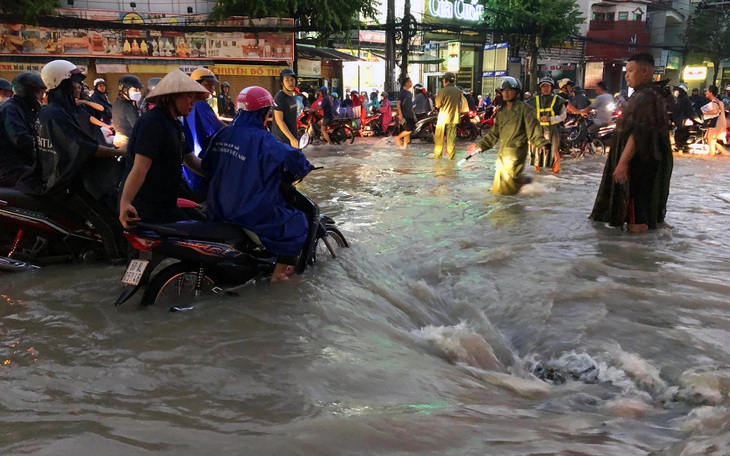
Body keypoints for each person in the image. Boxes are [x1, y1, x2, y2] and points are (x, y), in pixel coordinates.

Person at [16, 60, 126, 262]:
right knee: (109, 224)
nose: (78, 87)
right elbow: (84, 147)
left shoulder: (56, 111)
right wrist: (121, 152)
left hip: (63, 177)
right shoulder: (55, 113)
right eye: (74, 82)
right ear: (61, 84)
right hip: (64, 183)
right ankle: (118, 262)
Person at [202, 86, 312, 282]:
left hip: (217, 207)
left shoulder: (222, 134)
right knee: (297, 222)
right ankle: (279, 277)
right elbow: (293, 157)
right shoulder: (264, 139)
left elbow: (206, 164)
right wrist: (305, 166)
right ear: (264, 112)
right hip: (247, 210)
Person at [590, 53, 673, 233]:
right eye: (626, 71)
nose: (626, 75)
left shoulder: (646, 97)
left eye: (630, 71)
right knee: (640, 212)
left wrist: (622, 163)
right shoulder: (650, 94)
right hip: (646, 165)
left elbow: (638, 134)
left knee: (636, 217)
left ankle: (635, 256)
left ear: (644, 71)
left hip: (638, 168)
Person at [119, 69, 210, 229]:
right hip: (144, 209)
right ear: (172, 96)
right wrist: (125, 203)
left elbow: (192, 161)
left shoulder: (175, 124)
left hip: (165, 204)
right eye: (189, 95)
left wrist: (221, 173)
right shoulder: (153, 122)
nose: (192, 102)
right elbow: (141, 167)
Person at [471, 77, 549, 195]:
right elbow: (494, 133)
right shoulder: (501, 112)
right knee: (501, 181)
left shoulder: (525, 109)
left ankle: (510, 208)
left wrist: (541, 143)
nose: (506, 93)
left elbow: (533, 128)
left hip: (516, 151)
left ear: (517, 92)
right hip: (503, 151)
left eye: (509, 90)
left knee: (508, 180)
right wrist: (482, 146)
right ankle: (521, 185)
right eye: (503, 91)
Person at [182, 68, 226, 196]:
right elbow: (218, 128)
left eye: (212, 85)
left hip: (193, 161)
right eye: (207, 84)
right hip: (200, 162)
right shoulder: (200, 105)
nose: (211, 88)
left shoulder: (194, 104)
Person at [0, 72, 45, 187]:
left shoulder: (29, 109)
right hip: (11, 167)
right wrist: (46, 147)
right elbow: (20, 138)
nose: (42, 96)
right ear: (27, 91)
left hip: (26, 162)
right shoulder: (10, 108)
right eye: (39, 92)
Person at [527, 76, 565, 173]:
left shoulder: (558, 100)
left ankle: (555, 173)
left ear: (551, 87)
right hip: (538, 130)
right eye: (543, 86)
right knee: (537, 151)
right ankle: (538, 174)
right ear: (541, 88)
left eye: (547, 86)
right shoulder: (533, 101)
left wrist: (550, 119)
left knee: (553, 151)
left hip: (553, 130)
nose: (545, 88)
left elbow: (563, 116)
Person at [432, 72, 462, 159]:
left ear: (445, 80)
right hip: (454, 118)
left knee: (439, 139)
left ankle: (438, 158)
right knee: (451, 140)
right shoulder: (458, 91)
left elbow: (438, 104)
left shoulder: (442, 91)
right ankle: (452, 158)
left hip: (443, 118)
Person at [111, 74, 143, 149]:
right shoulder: (127, 106)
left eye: (138, 90)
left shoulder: (118, 102)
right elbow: (137, 126)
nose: (138, 92)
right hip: (127, 141)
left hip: (119, 139)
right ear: (125, 90)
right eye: (135, 90)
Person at [271, 68, 301, 149]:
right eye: (287, 80)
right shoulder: (279, 98)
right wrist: (292, 139)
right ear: (282, 82)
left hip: (292, 136)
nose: (290, 82)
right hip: (282, 140)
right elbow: (279, 121)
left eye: (292, 79)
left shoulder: (291, 96)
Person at [703, 85, 729, 156]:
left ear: (711, 92)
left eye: (707, 91)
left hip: (715, 124)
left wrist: (705, 112)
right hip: (721, 123)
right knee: (712, 140)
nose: (706, 93)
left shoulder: (714, 102)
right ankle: (725, 153)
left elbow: (715, 111)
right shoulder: (720, 101)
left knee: (711, 140)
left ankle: (712, 155)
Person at [671, 83, 694, 152]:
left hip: (684, 121)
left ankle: (680, 147)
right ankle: (680, 147)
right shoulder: (682, 99)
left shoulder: (683, 99)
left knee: (680, 134)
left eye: (677, 90)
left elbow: (680, 111)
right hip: (683, 121)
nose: (675, 92)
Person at [395, 77, 416, 150]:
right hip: (405, 114)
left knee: (408, 132)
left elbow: (410, 105)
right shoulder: (402, 93)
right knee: (409, 130)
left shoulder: (410, 93)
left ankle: (405, 147)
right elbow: (398, 103)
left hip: (410, 114)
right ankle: (398, 138)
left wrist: (414, 115)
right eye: (410, 81)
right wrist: (400, 114)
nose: (411, 83)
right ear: (406, 83)